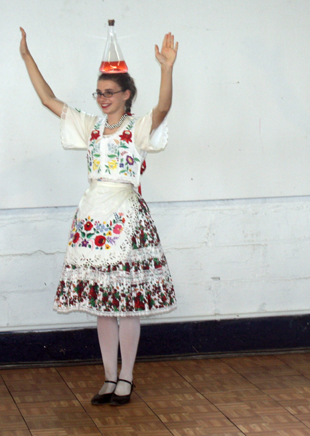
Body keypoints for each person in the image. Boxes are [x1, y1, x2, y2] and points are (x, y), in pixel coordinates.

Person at [20, 27, 178, 405]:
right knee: (103, 303)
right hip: (92, 216)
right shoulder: (91, 126)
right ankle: (109, 377)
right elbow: (48, 100)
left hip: (125, 215)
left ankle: (127, 377)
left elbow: (163, 109)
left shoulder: (136, 127)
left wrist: (167, 70)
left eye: (110, 92)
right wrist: (27, 58)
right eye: (99, 92)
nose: (103, 98)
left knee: (124, 299)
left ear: (126, 94)